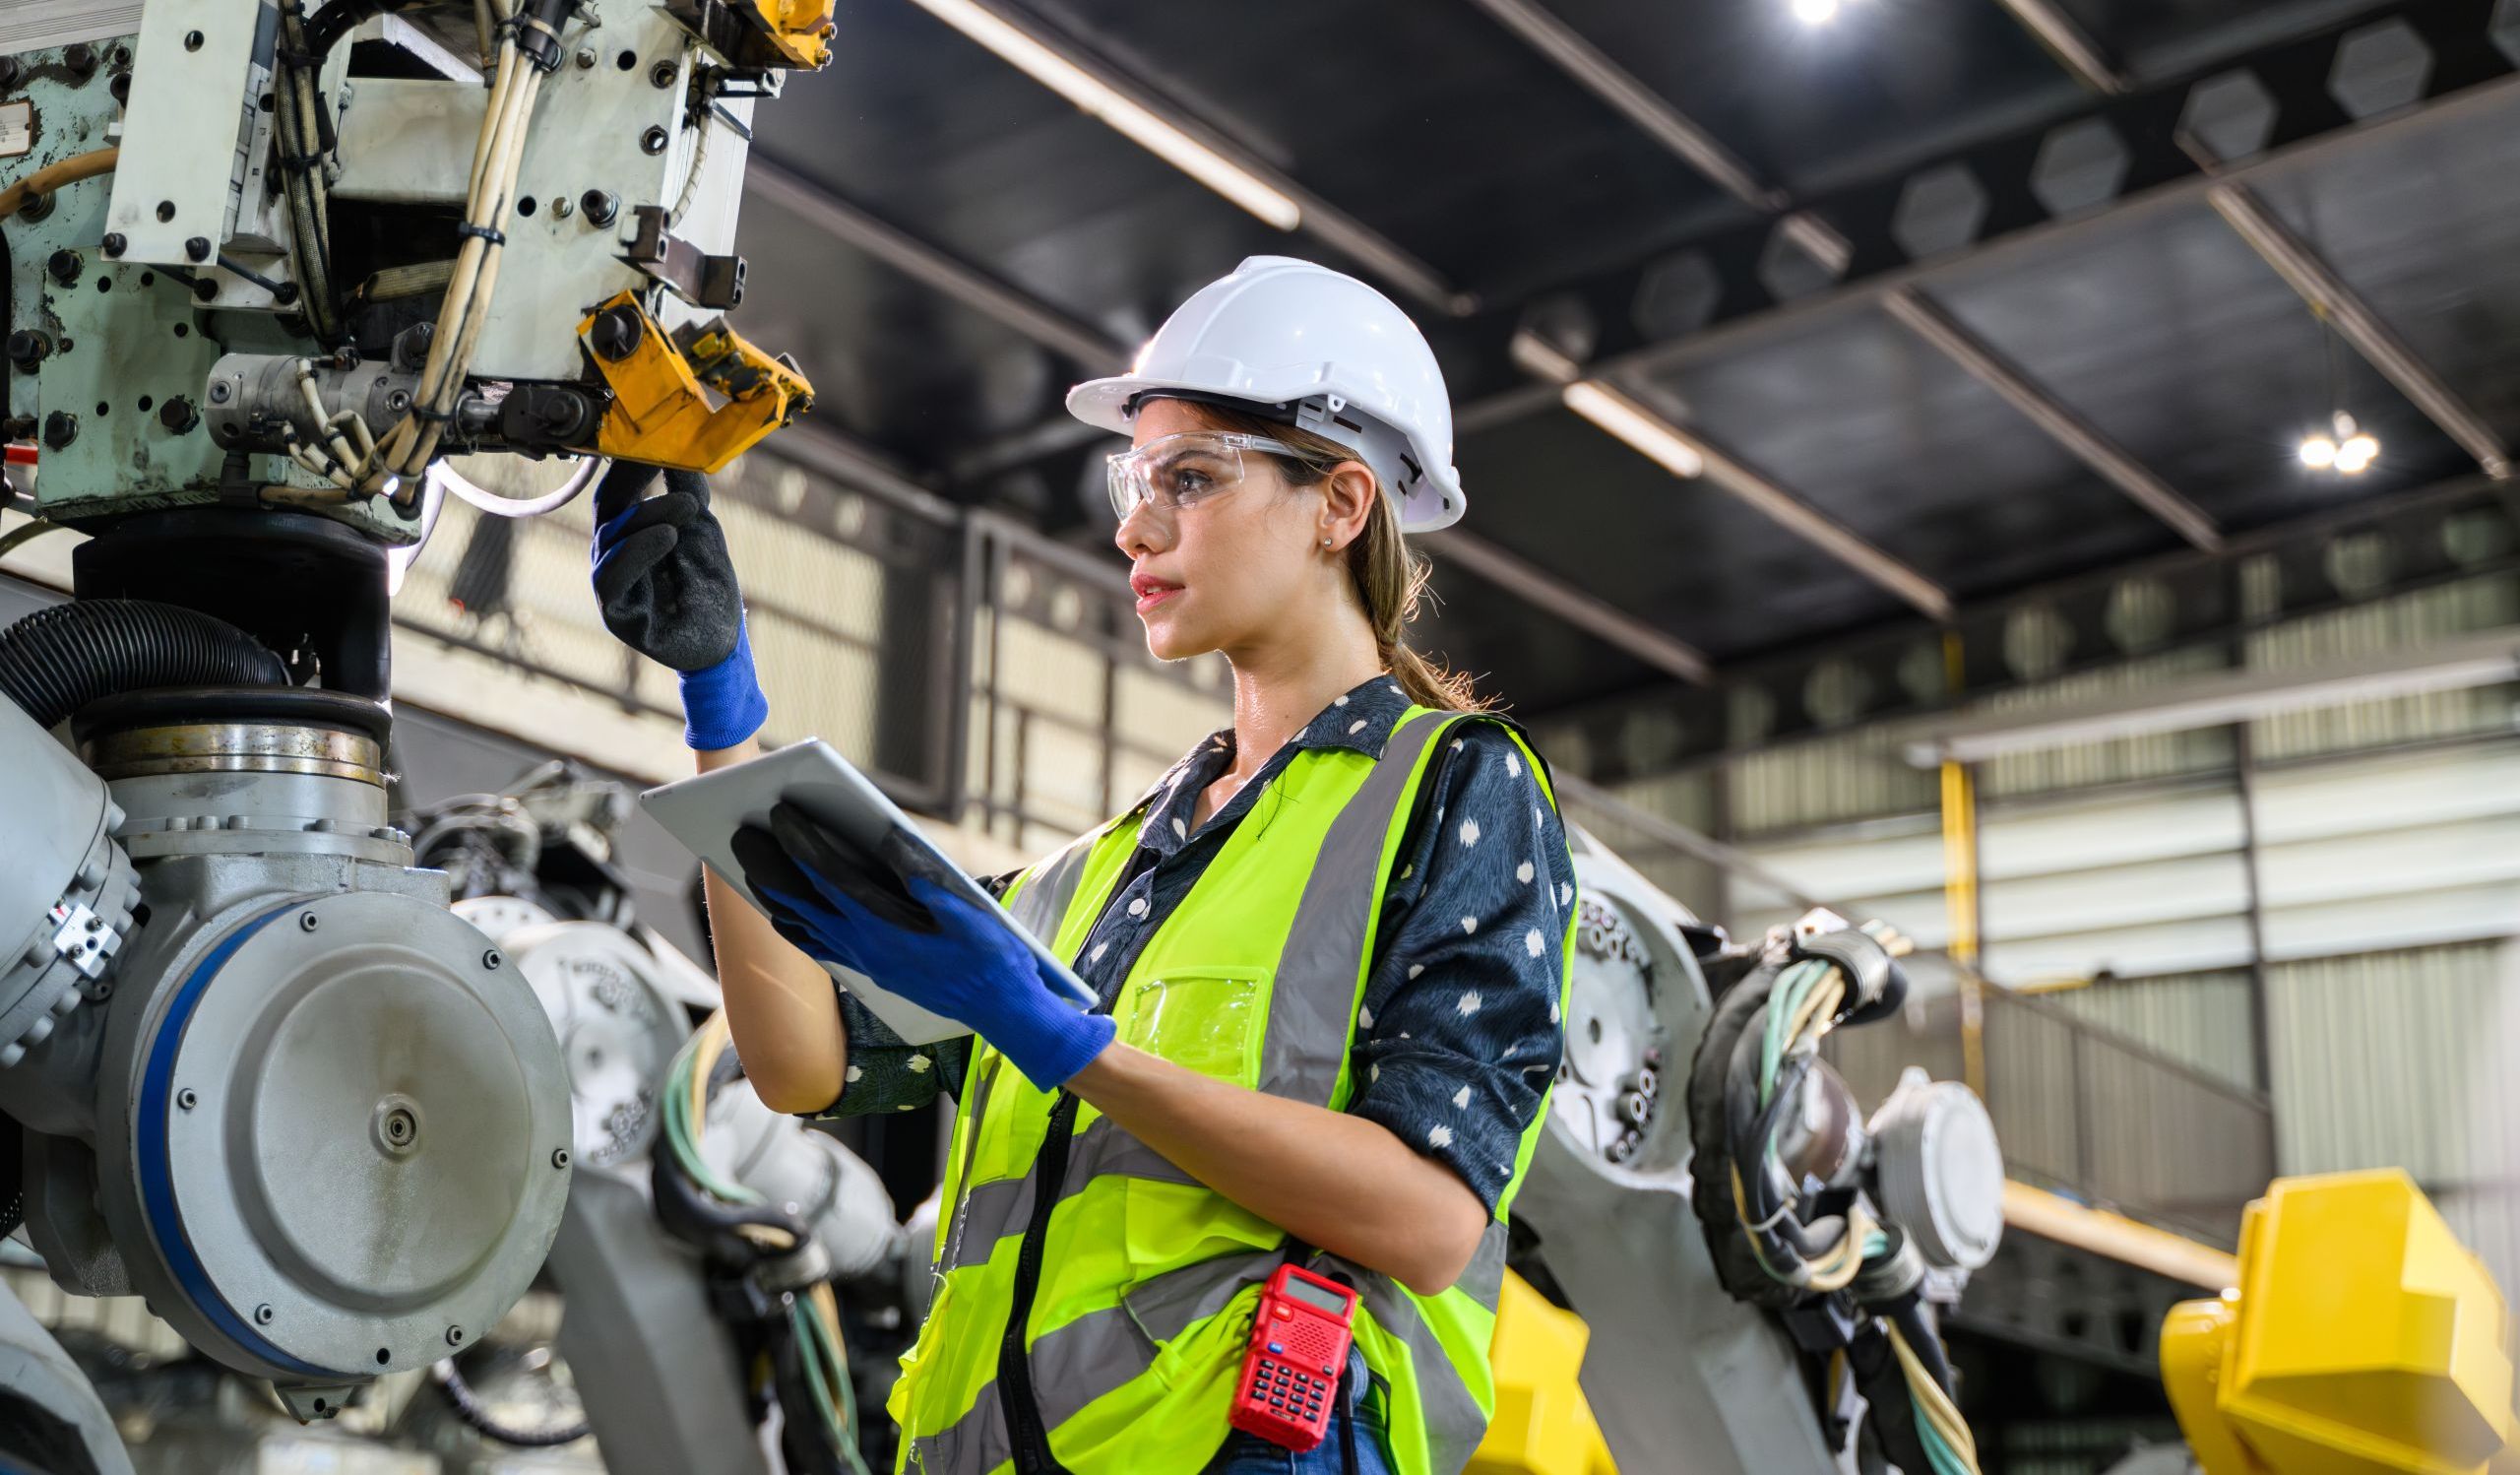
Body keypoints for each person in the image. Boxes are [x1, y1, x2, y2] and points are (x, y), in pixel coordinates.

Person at [591, 256, 1576, 1475]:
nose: (1134, 524)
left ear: (1342, 503)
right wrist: (721, 704)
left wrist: (1071, 1045)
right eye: (1134, 478)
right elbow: (802, 1063)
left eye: (1192, 478)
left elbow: (1427, 1220)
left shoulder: (1455, 790)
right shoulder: (1094, 874)